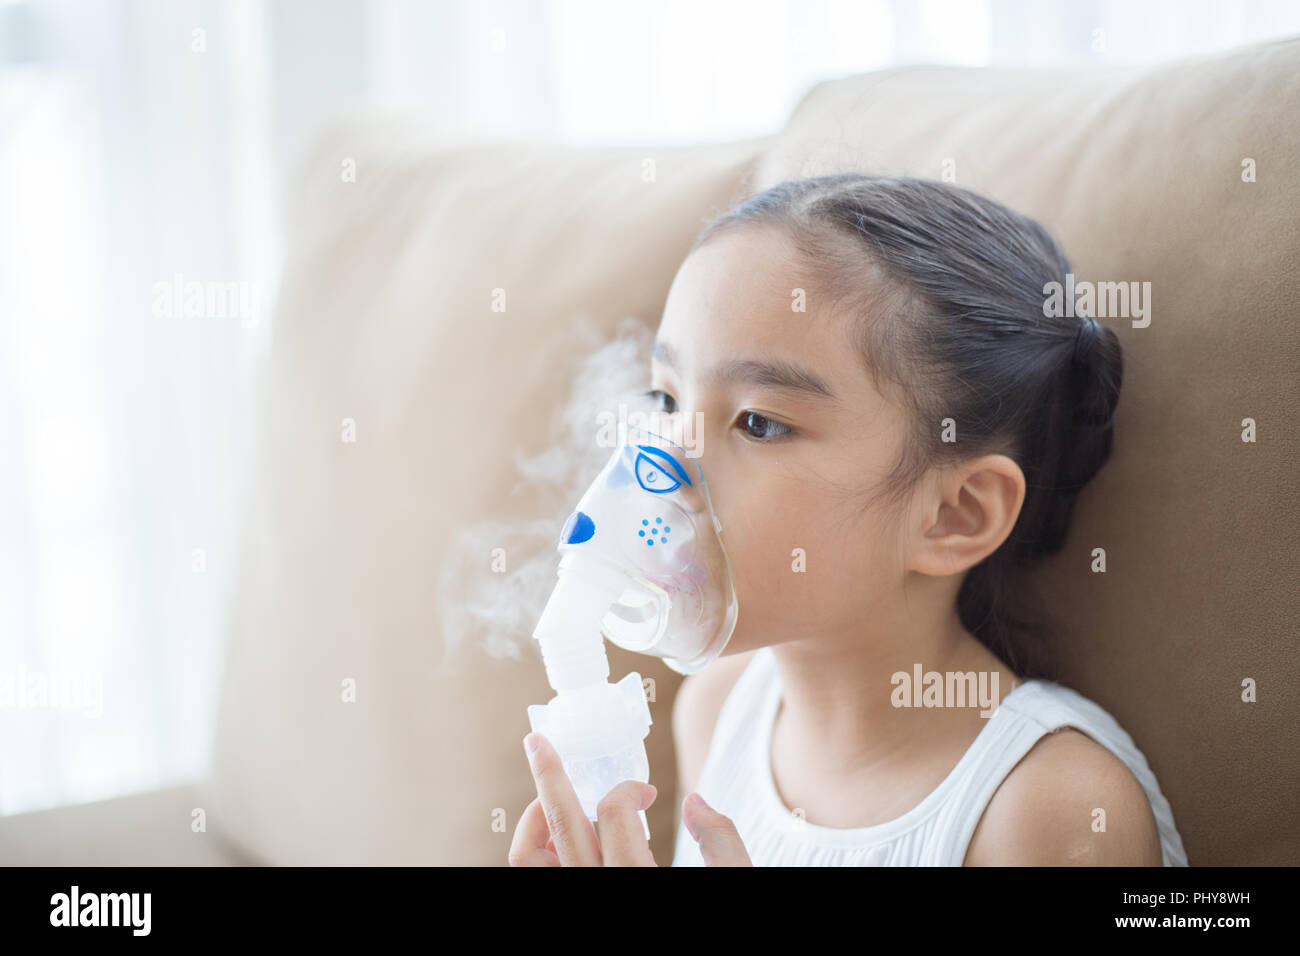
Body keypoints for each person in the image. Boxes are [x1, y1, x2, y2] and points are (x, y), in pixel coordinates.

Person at [508, 174, 1187, 867]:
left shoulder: (1049, 811)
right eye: (666, 398)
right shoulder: (717, 710)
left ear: (954, 514)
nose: (665, 468)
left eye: (759, 423)